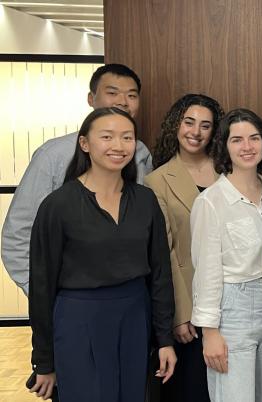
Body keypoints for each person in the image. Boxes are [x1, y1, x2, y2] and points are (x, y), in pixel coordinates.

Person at [27, 107, 176, 401]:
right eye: (107, 137)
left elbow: (160, 273)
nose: (118, 146)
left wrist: (164, 339)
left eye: (127, 138)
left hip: (135, 315)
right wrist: (44, 361)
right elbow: (41, 286)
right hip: (79, 319)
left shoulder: (145, 200)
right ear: (85, 144)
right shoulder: (59, 205)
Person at [2, 63, 153, 295]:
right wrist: (40, 292)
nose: (123, 101)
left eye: (131, 95)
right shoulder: (53, 155)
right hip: (71, 296)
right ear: (91, 99)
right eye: (112, 93)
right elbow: (19, 233)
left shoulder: (140, 153)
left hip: (128, 295)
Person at [190, 108, 262, 402]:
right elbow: (205, 272)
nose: (247, 147)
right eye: (237, 140)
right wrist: (209, 332)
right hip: (232, 311)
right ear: (224, 147)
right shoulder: (211, 201)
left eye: (254, 138)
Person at [144, 94, 224, 402]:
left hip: (232, 303)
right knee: (195, 390)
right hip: (189, 309)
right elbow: (165, 254)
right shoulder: (157, 180)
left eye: (206, 125)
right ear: (176, 125)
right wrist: (179, 314)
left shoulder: (228, 169)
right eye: (189, 122)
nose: (196, 132)